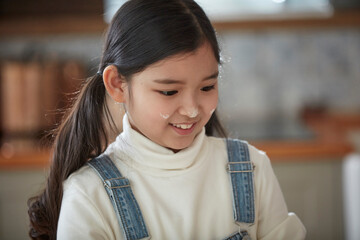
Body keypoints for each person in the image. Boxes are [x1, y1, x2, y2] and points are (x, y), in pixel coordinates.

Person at [28, 0, 306, 239]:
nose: (192, 110)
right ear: (117, 85)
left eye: (207, 87)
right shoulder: (89, 195)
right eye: (169, 91)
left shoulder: (253, 169)